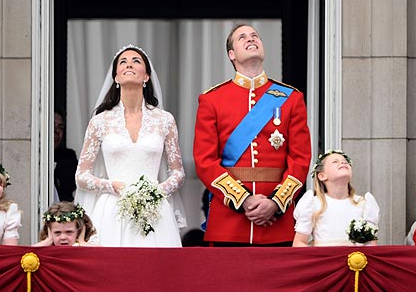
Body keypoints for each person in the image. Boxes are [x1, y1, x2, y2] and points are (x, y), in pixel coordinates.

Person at [193, 23, 312, 245]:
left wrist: (276, 203)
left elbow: (300, 159)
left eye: (255, 36)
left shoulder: (291, 98)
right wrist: (244, 200)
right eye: (242, 37)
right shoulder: (212, 99)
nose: (251, 39)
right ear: (231, 54)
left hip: (277, 223)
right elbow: (205, 161)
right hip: (229, 223)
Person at [75, 45, 186, 247]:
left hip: (154, 210)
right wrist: (112, 186)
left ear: (146, 76)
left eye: (136, 61)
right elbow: (81, 176)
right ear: (115, 77)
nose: (129, 65)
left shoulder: (164, 120)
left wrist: (157, 191)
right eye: (123, 62)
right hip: (112, 209)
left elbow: (178, 172)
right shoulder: (100, 121)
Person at [292, 151, 379, 246]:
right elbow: (299, 243)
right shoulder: (313, 204)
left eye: (346, 162)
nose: (343, 163)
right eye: (335, 162)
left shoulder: (363, 204)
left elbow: (371, 245)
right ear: (322, 175)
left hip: (355, 259)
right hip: (325, 259)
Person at [34, 201, 100, 246]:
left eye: (69, 232)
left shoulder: (88, 244)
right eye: (57, 233)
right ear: (50, 232)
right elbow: (26, 254)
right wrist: (47, 241)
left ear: (79, 231)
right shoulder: (46, 248)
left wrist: (82, 243)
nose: (63, 237)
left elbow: (104, 255)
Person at [54, 107, 78, 202]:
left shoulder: (68, 157)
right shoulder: (34, 157)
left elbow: (70, 187)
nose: (56, 131)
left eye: (60, 127)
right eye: (52, 125)